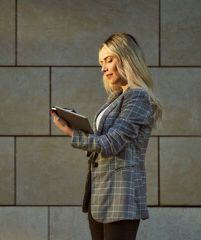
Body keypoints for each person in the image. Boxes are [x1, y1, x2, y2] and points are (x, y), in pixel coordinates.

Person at [51, 33, 162, 240]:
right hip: (101, 194)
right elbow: (105, 140)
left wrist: (71, 132)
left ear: (126, 58)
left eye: (109, 60)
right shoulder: (118, 97)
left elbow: (111, 143)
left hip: (121, 197)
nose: (103, 68)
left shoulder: (137, 97)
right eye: (101, 62)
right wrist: (80, 128)